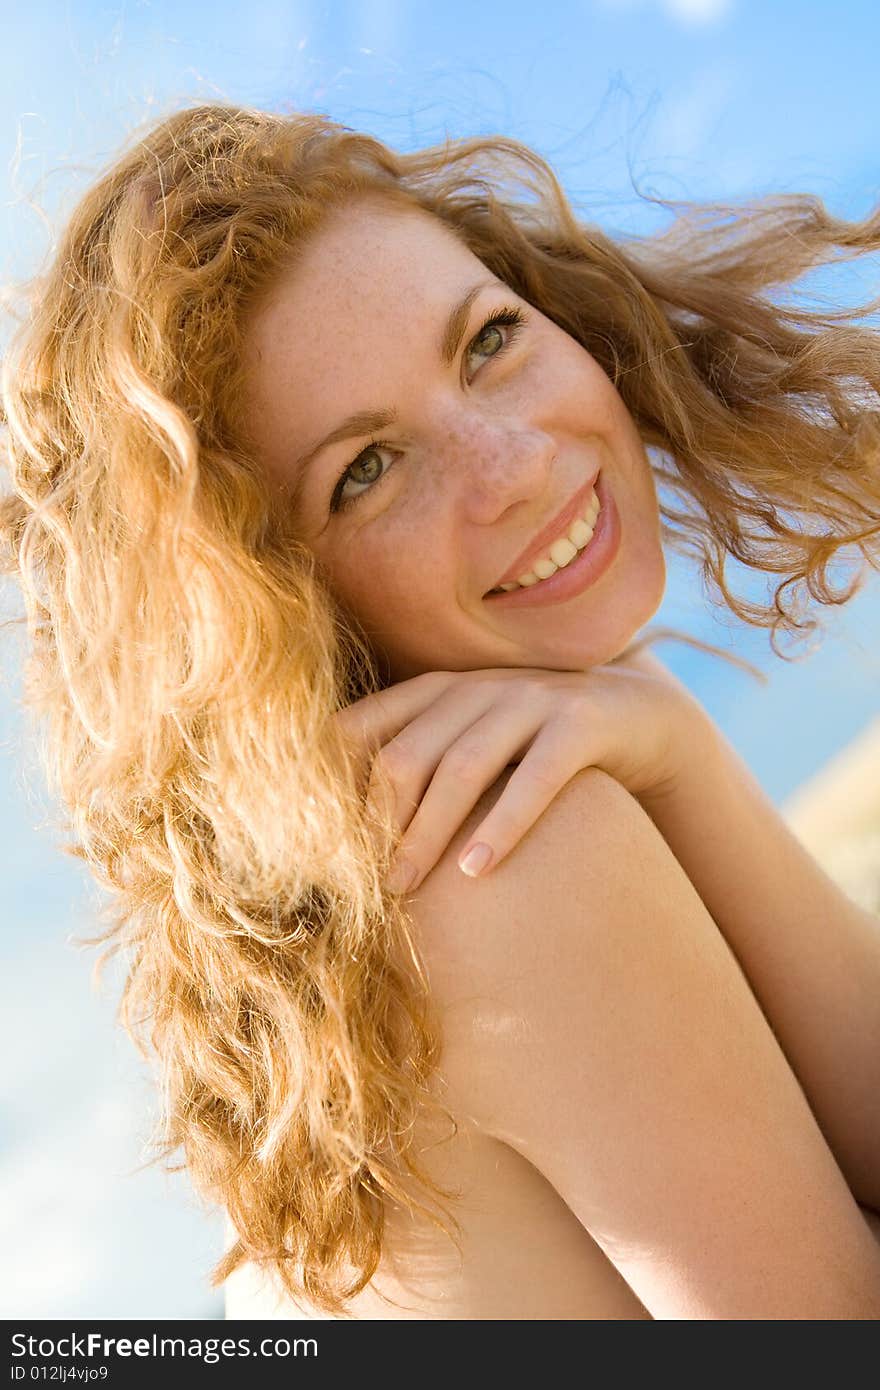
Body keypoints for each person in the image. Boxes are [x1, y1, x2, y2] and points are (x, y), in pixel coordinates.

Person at [1, 100, 879, 1322]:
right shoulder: (488, 850)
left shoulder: (533, 733)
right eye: (365, 470)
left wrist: (676, 751)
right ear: (280, 610)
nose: (510, 462)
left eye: (487, 340)